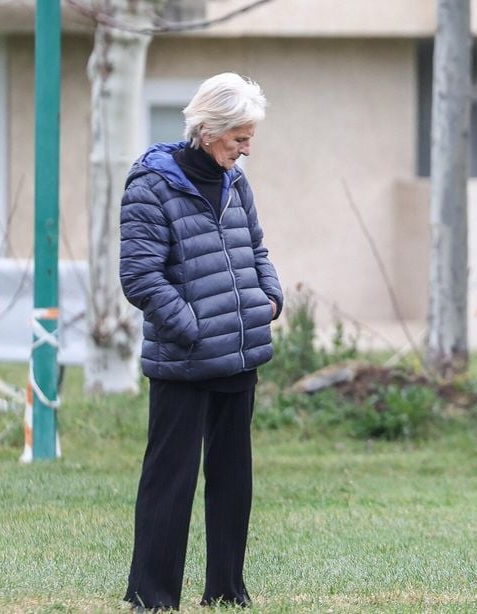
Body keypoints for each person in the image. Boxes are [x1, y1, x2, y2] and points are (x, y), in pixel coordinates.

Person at [119, 72, 282, 610]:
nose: (247, 148)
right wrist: (190, 326)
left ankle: (227, 591)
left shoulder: (237, 182)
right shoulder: (151, 184)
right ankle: (153, 595)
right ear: (208, 130)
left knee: (233, 478)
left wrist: (270, 299)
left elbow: (256, 248)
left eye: (249, 137)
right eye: (239, 137)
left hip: (240, 353)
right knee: (170, 479)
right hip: (184, 358)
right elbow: (140, 276)